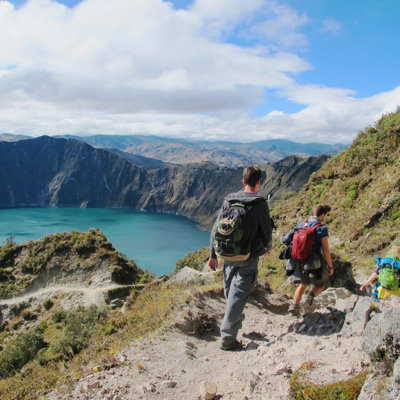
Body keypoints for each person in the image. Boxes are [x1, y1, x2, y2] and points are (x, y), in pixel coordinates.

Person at [208, 165, 273, 351]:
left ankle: (235, 320)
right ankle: (228, 339)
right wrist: (268, 247)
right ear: (259, 182)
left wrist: (212, 255)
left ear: (243, 181)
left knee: (231, 293)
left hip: (227, 255)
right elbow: (266, 229)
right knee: (237, 295)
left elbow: (216, 228)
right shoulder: (260, 203)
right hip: (248, 256)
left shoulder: (229, 200)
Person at [287, 204, 334, 317]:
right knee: (321, 284)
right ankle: (310, 297)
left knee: (303, 284)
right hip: (315, 261)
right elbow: (326, 250)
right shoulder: (321, 228)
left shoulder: (302, 224)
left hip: (301, 259)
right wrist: (330, 266)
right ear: (322, 215)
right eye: (326, 215)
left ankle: (294, 307)